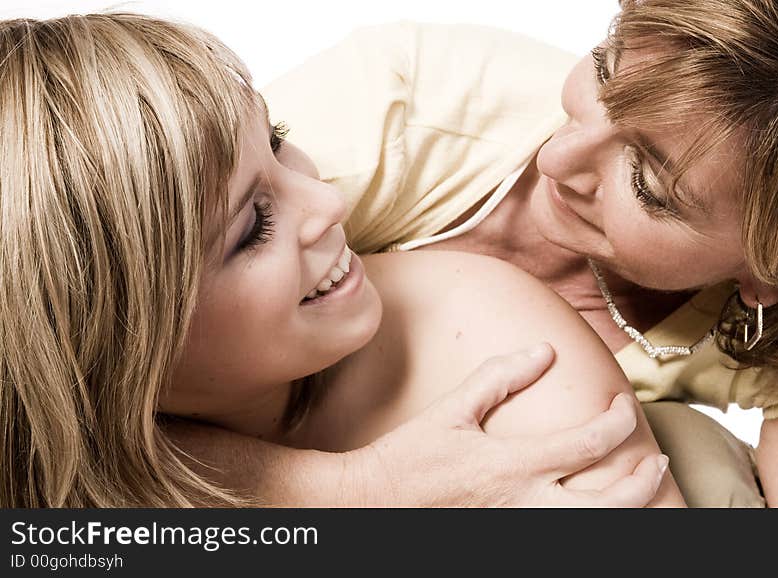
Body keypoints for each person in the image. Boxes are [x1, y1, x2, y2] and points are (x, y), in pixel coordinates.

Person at [0, 13, 678, 507]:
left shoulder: (509, 362)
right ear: (111, 351)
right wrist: (358, 493)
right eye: (252, 228)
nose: (327, 202)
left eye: (278, 136)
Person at [249, 0, 778, 507]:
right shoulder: (389, 112)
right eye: (606, 70)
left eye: (647, 186)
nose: (556, 157)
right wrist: (362, 489)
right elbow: (148, 435)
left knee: (697, 458)